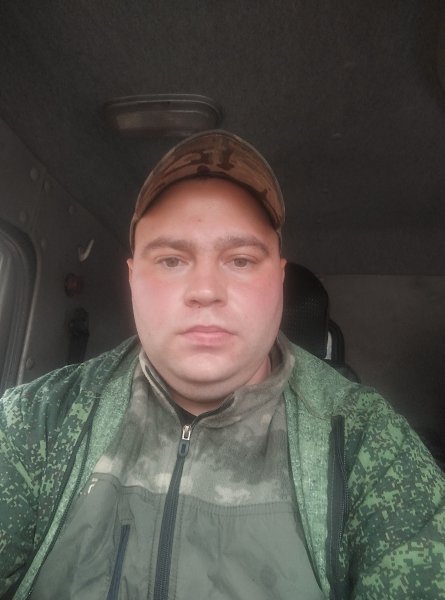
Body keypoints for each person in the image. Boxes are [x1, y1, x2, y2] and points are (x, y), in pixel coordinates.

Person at [0, 130, 444, 600]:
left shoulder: (365, 440)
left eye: (241, 260)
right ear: (133, 279)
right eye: (171, 260)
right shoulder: (40, 418)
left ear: (279, 278)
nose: (206, 290)